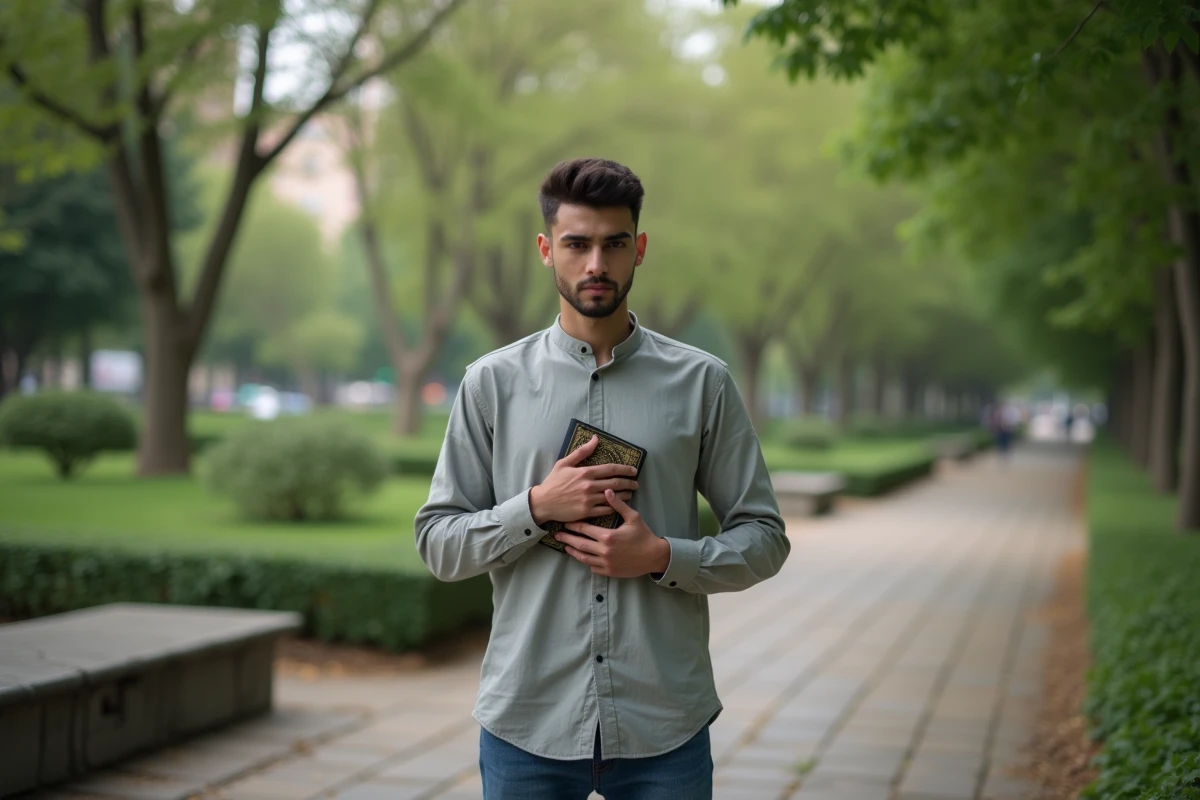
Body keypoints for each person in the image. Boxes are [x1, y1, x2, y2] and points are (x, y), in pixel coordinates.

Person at [414, 157, 790, 799]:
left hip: (664, 722)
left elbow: (765, 538)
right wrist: (535, 506)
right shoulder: (492, 384)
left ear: (638, 249)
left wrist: (664, 555)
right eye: (577, 244)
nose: (596, 264)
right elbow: (439, 544)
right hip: (527, 720)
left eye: (614, 244)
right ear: (545, 250)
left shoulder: (703, 383)